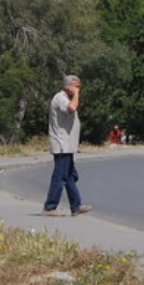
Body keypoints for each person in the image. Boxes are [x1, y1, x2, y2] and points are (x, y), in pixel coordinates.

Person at [43, 75, 91, 217]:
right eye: (76, 86)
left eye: (79, 87)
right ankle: (50, 207)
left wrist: (75, 93)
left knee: (70, 176)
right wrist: (76, 94)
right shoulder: (60, 98)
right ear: (67, 86)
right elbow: (71, 108)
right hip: (62, 145)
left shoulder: (65, 97)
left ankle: (76, 206)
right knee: (60, 176)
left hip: (68, 146)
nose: (78, 89)